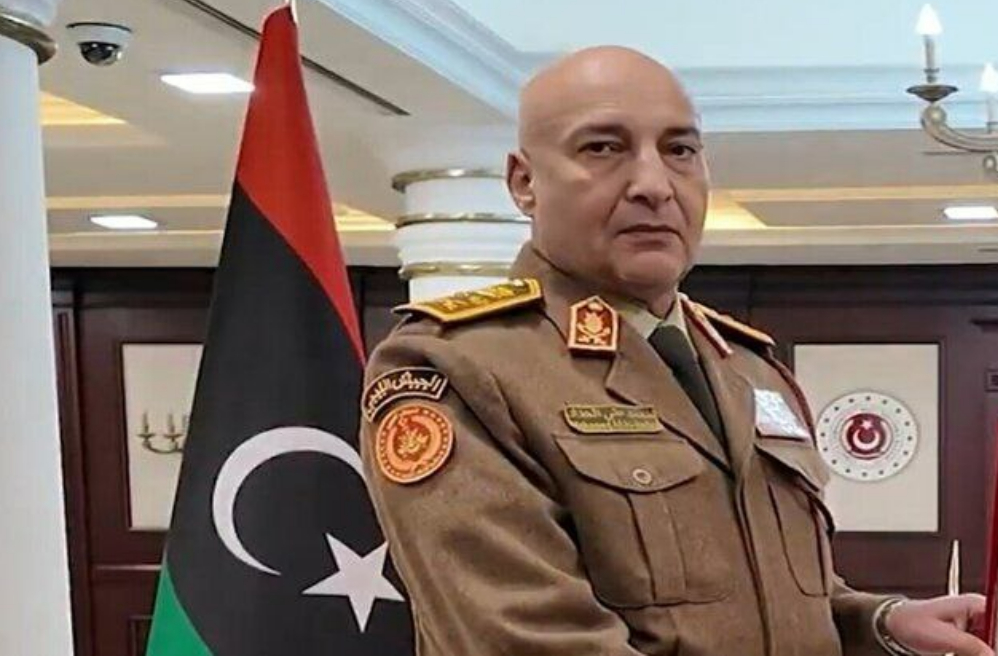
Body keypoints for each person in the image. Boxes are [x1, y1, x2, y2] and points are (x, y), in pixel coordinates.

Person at [359, 46, 991, 656]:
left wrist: (881, 622)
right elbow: (528, 640)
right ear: (524, 183)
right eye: (603, 148)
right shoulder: (457, 368)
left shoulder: (747, 367)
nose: (653, 184)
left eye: (679, 150)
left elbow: (774, 596)